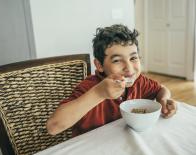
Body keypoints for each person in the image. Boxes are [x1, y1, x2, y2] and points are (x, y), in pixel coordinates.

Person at [46, 24, 177, 137]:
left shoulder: (139, 82)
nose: (129, 68)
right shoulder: (90, 88)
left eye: (133, 58)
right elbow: (53, 127)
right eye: (117, 60)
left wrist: (163, 100)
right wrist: (98, 93)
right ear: (99, 65)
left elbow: (162, 89)